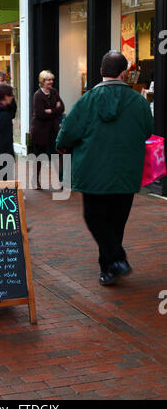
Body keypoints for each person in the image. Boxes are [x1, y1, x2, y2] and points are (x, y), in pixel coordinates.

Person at [56, 51, 153, 287]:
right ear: (124, 73)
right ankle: (110, 269)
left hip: (93, 174)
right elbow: (148, 131)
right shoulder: (138, 101)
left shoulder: (87, 100)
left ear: (101, 72)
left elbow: (68, 132)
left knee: (94, 217)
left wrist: (61, 146)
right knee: (116, 222)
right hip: (126, 173)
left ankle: (115, 262)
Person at [30, 70, 65, 189]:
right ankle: (35, 181)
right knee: (39, 157)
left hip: (53, 130)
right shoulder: (38, 95)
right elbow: (40, 114)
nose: (51, 82)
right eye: (48, 80)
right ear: (42, 81)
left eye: (52, 80)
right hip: (40, 131)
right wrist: (55, 110)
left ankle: (60, 181)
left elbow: (62, 107)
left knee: (57, 156)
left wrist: (51, 111)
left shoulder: (54, 92)